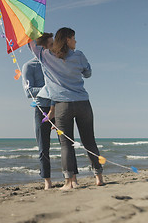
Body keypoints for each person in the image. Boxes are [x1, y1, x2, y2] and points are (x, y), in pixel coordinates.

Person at [28, 27, 104, 190]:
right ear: (68, 39)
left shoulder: (47, 56)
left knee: (66, 145)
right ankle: (99, 177)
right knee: (89, 141)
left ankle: (70, 182)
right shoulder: (79, 55)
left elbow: (33, 45)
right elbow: (88, 73)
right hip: (83, 103)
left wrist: (30, 29)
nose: (76, 41)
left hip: (63, 106)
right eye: (74, 38)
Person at [21, 33, 55, 190]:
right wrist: (49, 89)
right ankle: (47, 181)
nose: (39, 46)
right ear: (30, 47)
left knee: (66, 142)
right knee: (43, 147)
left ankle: (71, 176)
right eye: (35, 44)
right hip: (41, 109)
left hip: (59, 105)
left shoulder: (53, 62)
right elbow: (28, 92)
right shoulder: (29, 66)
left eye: (41, 43)